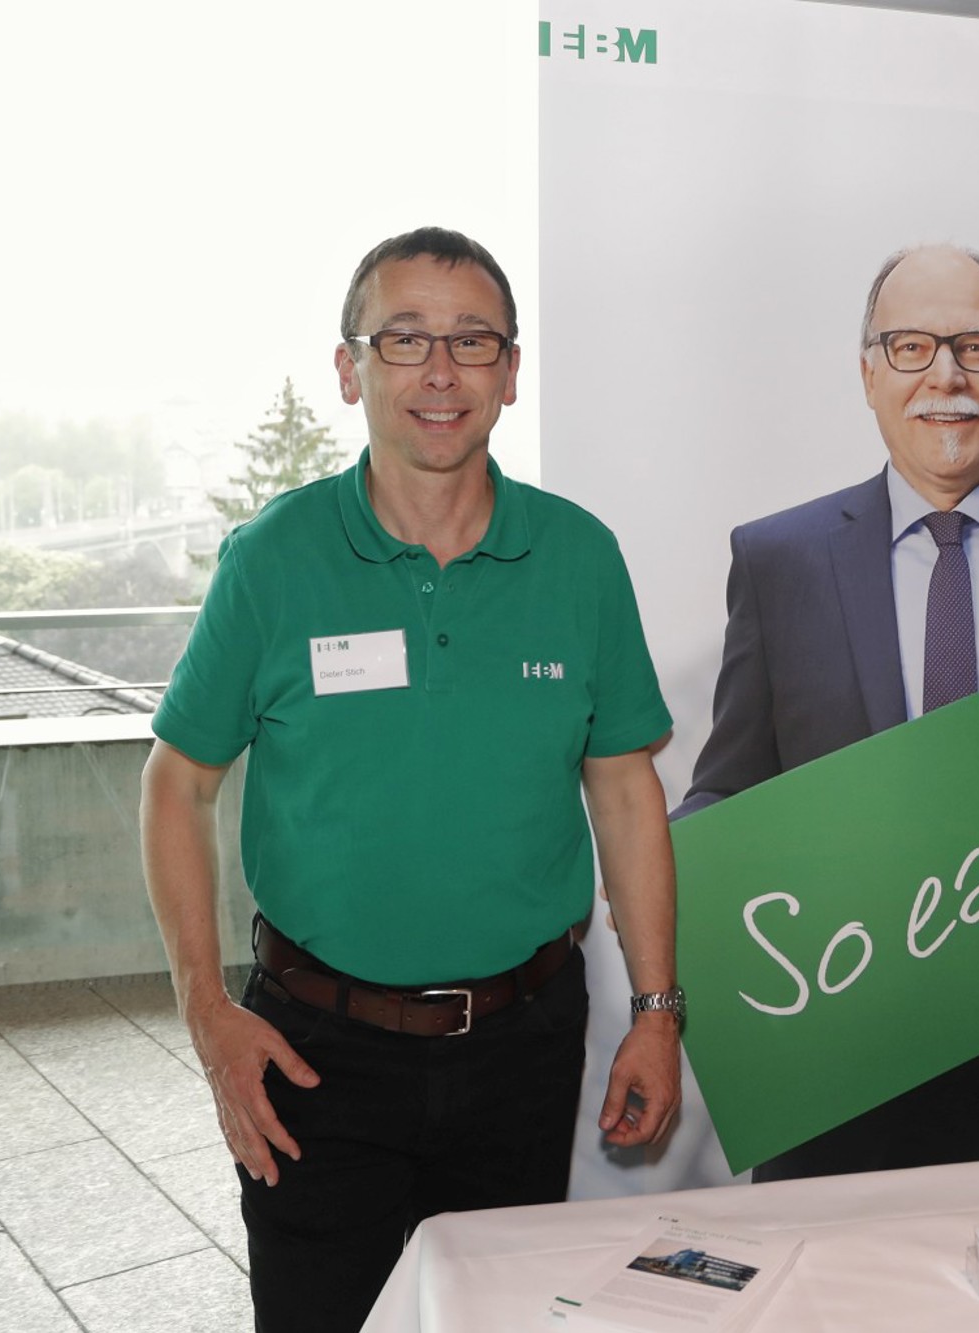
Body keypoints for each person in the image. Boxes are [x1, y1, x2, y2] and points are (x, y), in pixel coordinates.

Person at [140, 227, 683, 1332]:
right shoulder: (273, 559)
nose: (441, 370)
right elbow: (175, 786)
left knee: (502, 1320)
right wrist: (206, 1014)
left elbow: (627, 795)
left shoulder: (579, 558)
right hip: (314, 1051)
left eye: (472, 341)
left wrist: (659, 1010)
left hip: (524, 1045)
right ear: (351, 369)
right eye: (404, 339)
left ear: (510, 373)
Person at [677, 243, 979, 1179]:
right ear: (868, 374)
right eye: (910, 347)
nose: (946, 376)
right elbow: (728, 786)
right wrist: (665, 867)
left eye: (976, 346)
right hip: (845, 1068)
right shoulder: (778, 562)